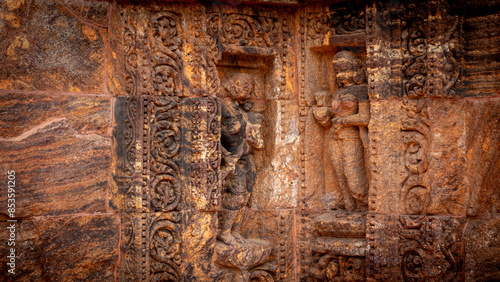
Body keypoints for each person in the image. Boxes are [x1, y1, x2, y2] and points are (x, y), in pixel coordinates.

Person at [313, 50, 370, 211]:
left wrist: (344, 120)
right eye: (337, 71)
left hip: (351, 138)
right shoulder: (338, 92)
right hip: (334, 137)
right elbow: (331, 116)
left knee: (354, 178)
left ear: (355, 70)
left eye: (345, 70)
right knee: (341, 177)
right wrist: (322, 112)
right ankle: (350, 209)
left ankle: (365, 205)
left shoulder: (361, 91)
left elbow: (365, 118)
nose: (340, 75)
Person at [218, 73, 264, 245]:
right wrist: (224, 154)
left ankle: (235, 230)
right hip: (231, 157)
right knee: (237, 193)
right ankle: (224, 231)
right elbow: (211, 134)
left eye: (250, 89)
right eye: (245, 88)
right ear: (234, 86)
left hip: (243, 155)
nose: (249, 92)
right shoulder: (222, 106)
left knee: (247, 193)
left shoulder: (238, 108)